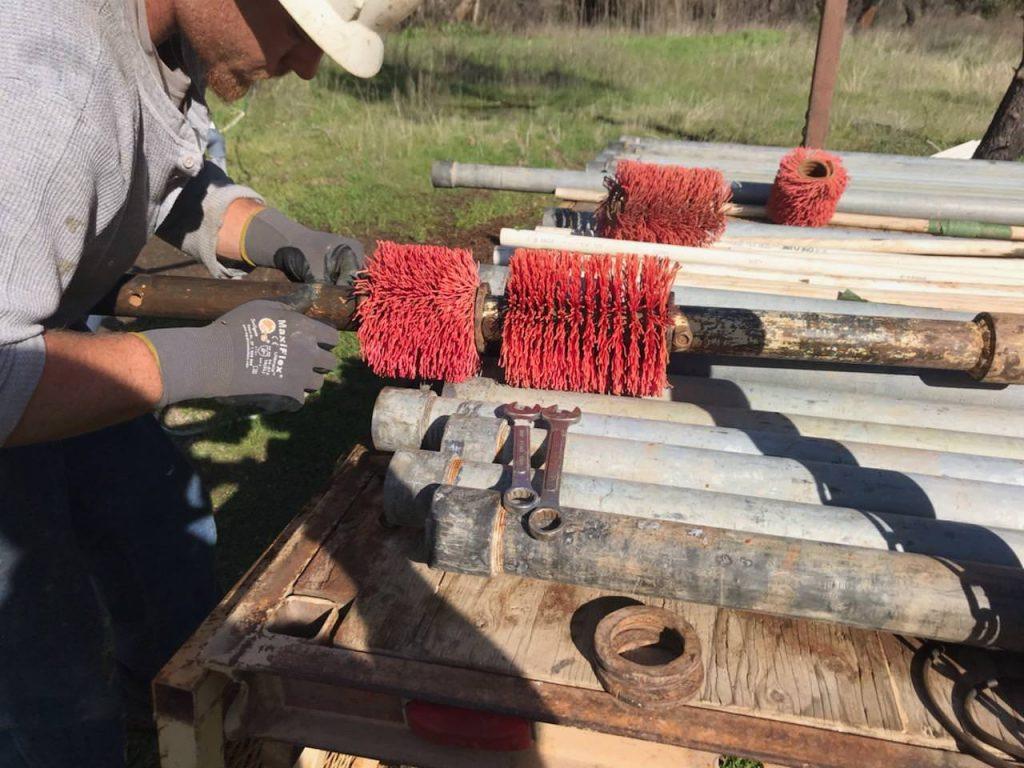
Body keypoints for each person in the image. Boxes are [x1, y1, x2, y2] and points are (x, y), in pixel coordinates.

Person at [0, 0, 422, 765]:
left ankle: (169, 726)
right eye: (300, 32)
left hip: (41, 321)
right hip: (10, 357)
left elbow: (166, 171)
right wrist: (208, 362)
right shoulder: (42, 88)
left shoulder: (162, 34)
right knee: (42, 668)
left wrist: (271, 231)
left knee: (162, 530)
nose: (306, 63)